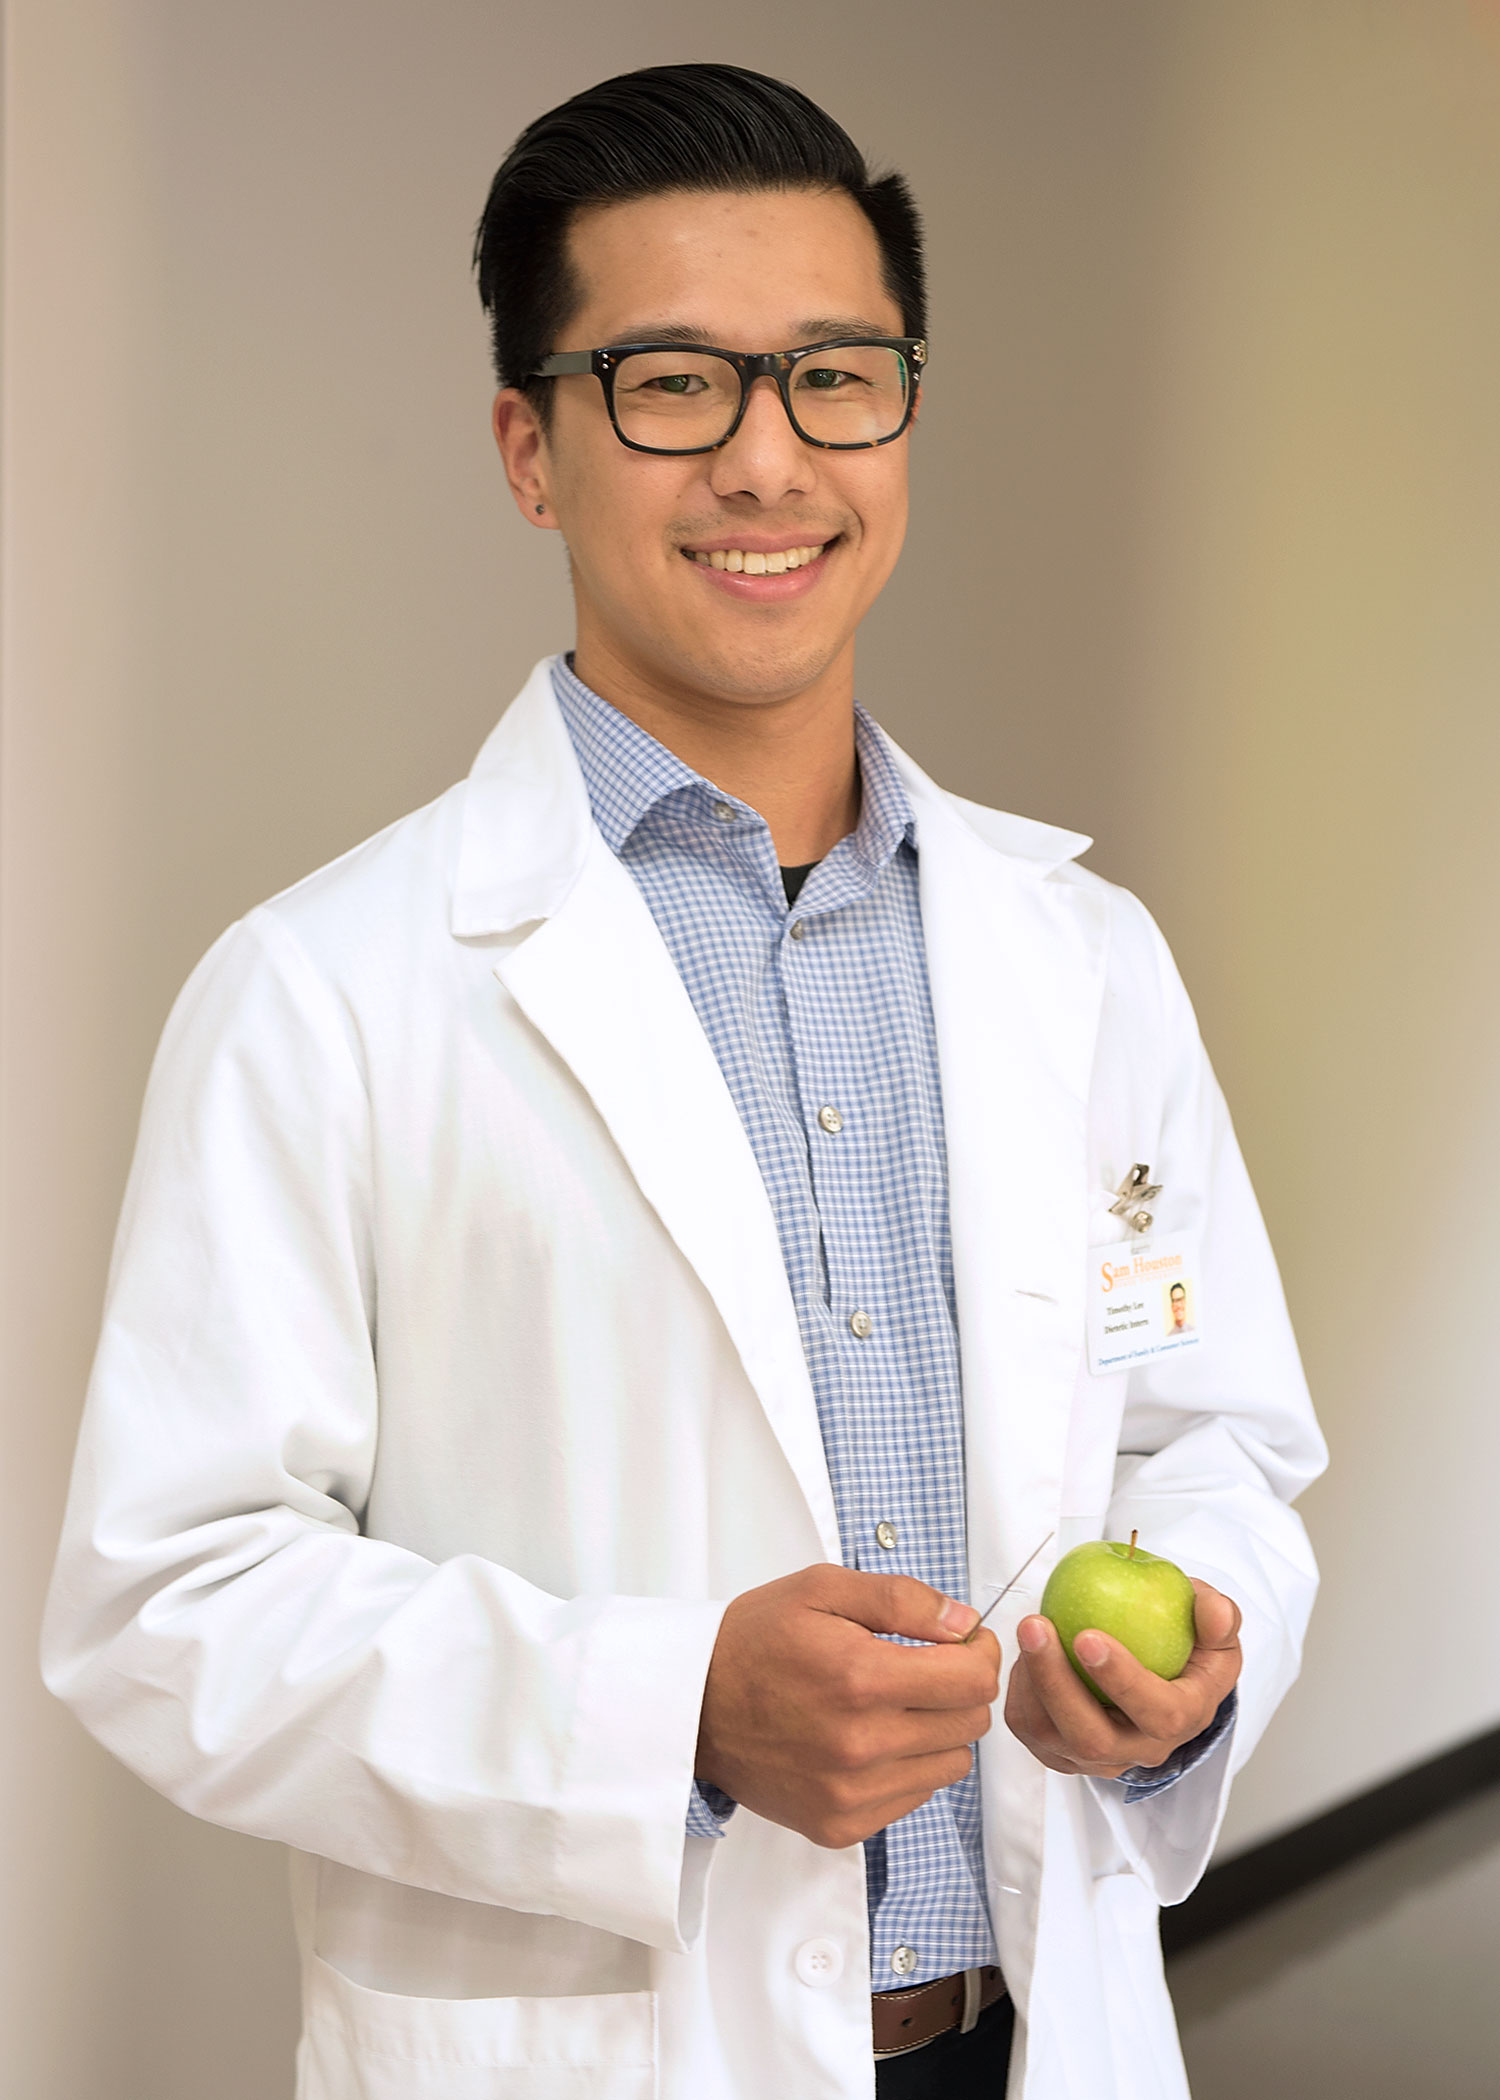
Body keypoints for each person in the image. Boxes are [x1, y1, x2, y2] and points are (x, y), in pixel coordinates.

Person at [41, 63, 1325, 2100]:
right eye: (668, 386)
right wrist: (674, 1716)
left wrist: (1183, 1649)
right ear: (528, 449)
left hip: (1035, 2027)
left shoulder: (1081, 963)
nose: (765, 461)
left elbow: (1202, 1418)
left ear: (903, 412)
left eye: (835, 376)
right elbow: (171, 1599)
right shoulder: (325, 991)